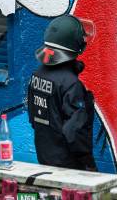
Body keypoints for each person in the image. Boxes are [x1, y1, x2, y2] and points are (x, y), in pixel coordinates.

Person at [27, 14, 96, 170]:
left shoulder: (37, 75)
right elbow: (75, 132)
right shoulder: (71, 84)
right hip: (69, 165)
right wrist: (88, 164)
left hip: (45, 157)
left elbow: (33, 119)